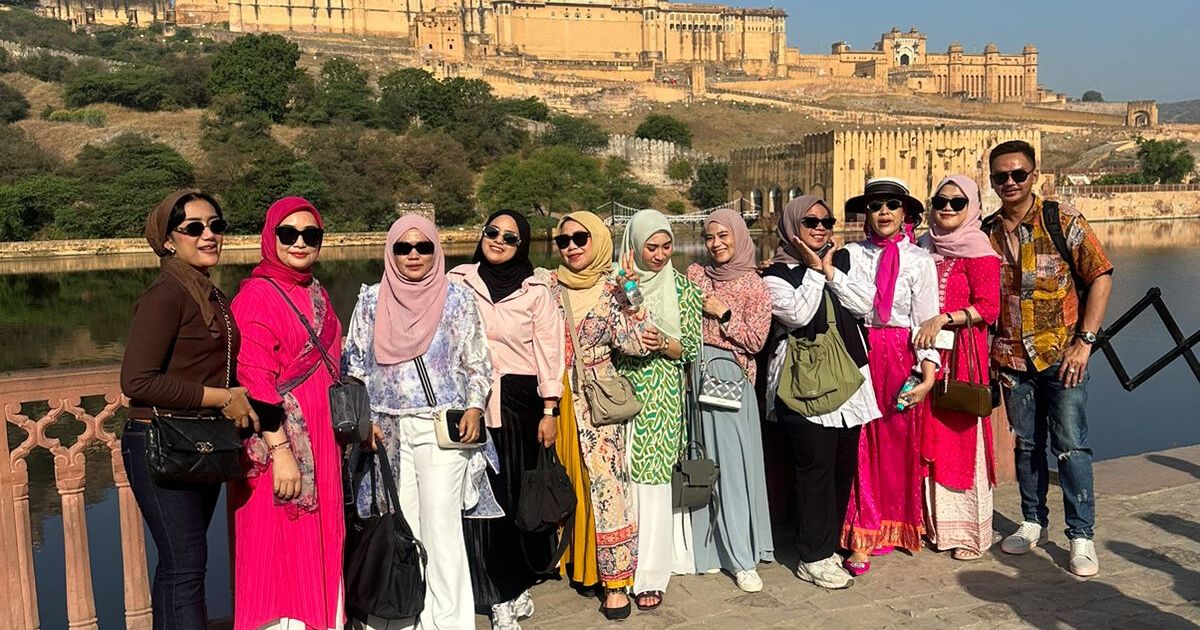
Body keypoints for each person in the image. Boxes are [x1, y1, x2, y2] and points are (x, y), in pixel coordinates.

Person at [342, 215, 494, 630]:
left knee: (441, 525)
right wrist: (363, 422)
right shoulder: (371, 300)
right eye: (403, 247)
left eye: (423, 247)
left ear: (435, 251)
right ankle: (410, 616)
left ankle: (451, 622)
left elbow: (478, 362)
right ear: (390, 252)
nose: (413, 255)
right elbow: (354, 366)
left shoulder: (456, 299)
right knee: (402, 525)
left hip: (442, 428)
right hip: (387, 432)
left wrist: (475, 407)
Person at [120, 189, 256, 630]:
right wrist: (223, 397)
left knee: (181, 566)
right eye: (194, 228)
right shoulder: (167, 296)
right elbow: (137, 381)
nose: (208, 235)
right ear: (167, 240)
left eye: (216, 225)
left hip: (199, 441)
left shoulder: (208, 294)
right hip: (160, 440)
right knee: (185, 565)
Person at [982, 140, 1113, 577]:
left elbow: (1101, 276)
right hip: (1013, 359)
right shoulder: (987, 232)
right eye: (1001, 176)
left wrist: (1085, 341)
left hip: (1062, 356)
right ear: (992, 181)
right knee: (1027, 445)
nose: (1010, 183)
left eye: (1018, 174)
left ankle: (1081, 535)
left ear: (1033, 175)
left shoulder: (1062, 220)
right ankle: (1033, 521)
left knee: (1071, 446)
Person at [229, 197, 345, 629]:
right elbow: (254, 381)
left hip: (323, 442)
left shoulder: (315, 291)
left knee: (320, 537)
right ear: (270, 236)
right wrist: (281, 452)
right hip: (279, 446)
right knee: (277, 545)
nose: (300, 243)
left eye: (310, 235)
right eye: (288, 233)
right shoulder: (256, 296)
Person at [448, 210, 566, 630]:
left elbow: (550, 352)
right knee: (482, 502)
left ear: (522, 245)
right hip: (470, 403)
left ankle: (518, 584)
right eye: (492, 232)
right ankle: (495, 592)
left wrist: (550, 410)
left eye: (510, 237)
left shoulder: (536, 291)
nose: (499, 240)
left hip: (520, 403)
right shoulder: (458, 281)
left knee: (518, 497)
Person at [762, 196, 878, 590]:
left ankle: (826, 549)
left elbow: (865, 305)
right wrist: (813, 271)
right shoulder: (775, 274)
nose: (820, 228)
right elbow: (798, 315)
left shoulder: (840, 262)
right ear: (792, 226)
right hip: (804, 389)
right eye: (810, 221)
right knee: (814, 471)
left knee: (841, 470)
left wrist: (828, 270)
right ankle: (811, 556)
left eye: (826, 221)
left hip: (848, 385)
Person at [549, 211, 652, 620]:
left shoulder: (613, 288)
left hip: (597, 402)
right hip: (555, 399)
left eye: (580, 238)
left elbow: (637, 343)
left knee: (607, 488)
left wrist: (632, 291)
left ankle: (615, 582)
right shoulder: (547, 285)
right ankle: (574, 561)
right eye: (564, 241)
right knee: (565, 480)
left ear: (597, 240)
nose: (572, 247)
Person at [837, 177, 940, 576]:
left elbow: (925, 322)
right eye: (875, 205)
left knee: (897, 443)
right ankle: (862, 534)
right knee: (861, 441)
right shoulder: (850, 255)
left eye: (892, 205)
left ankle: (896, 524)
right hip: (860, 351)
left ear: (905, 213)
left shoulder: (919, 260)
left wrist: (927, 377)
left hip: (900, 354)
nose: (883, 212)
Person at [613, 210, 702, 611]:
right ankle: (619, 566)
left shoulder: (683, 289)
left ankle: (651, 573)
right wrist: (627, 288)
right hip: (620, 392)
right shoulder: (615, 285)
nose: (660, 255)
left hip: (662, 393)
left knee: (651, 481)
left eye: (667, 246)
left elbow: (691, 348)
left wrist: (664, 343)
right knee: (621, 478)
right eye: (651, 247)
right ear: (634, 245)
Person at [684, 208, 775, 593]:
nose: (716, 243)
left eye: (724, 235)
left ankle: (742, 557)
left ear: (739, 235)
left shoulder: (755, 284)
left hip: (727, 378)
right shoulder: (695, 275)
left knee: (733, 468)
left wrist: (723, 313)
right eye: (709, 237)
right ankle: (710, 551)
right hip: (693, 375)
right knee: (702, 462)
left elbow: (756, 341)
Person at [913, 176, 1002, 561]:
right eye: (941, 201)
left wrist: (945, 318)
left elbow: (990, 307)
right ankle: (935, 527)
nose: (947, 208)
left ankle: (969, 533)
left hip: (962, 356)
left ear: (972, 207)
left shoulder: (979, 251)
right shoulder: (923, 247)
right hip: (925, 354)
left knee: (960, 437)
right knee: (929, 436)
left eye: (957, 202)